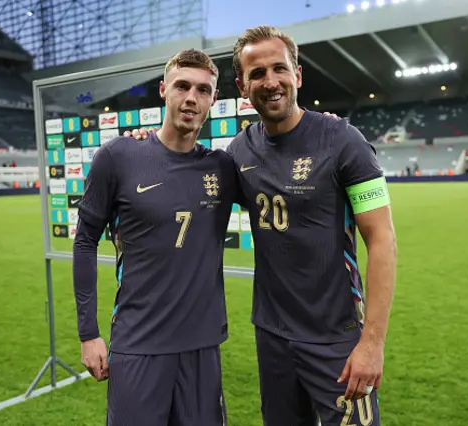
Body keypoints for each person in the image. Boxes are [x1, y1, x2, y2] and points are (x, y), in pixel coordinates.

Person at [127, 25, 397, 426]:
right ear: (241, 85)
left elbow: (382, 240)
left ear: (298, 75)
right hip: (272, 336)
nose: (270, 82)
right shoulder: (238, 152)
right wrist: (145, 147)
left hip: (336, 336)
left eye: (279, 69)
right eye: (257, 74)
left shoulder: (344, 141)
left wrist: (372, 343)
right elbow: (185, 176)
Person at [72, 49, 236, 426]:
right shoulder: (118, 157)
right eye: (182, 86)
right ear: (164, 90)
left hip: (202, 346)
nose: (191, 98)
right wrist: (88, 333)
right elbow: (84, 242)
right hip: (138, 345)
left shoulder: (223, 167)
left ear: (213, 99)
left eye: (203, 90)